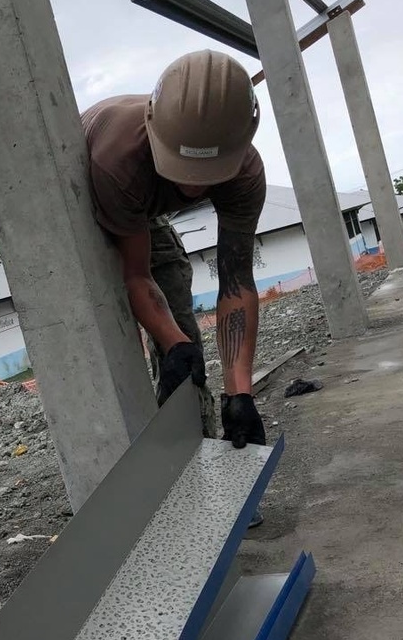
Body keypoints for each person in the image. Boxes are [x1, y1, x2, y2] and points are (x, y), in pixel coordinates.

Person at [82, 51, 267, 522]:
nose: (192, 190)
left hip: (144, 215)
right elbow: (135, 274)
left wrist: (239, 391)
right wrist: (166, 339)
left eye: (205, 178)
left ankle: (197, 474)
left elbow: (236, 278)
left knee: (183, 342)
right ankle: (141, 488)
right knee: (109, 341)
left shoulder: (245, 173)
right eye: (182, 172)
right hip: (86, 203)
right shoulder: (116, 159)